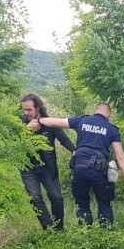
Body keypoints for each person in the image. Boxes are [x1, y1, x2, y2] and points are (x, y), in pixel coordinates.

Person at [31, 102, 124, 226]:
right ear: (109, 115)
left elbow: (54, 122)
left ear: (95, 111)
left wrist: (39, 120)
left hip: (79, 168)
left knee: (82, 204)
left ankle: (85, 232)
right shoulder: (111, 129)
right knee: (104, 203)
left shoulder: (82, 120)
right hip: (99, 170)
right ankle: (105, 235)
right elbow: (120, 156)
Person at [20, 94, 76, 230]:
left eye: (29, 110)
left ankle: (59, 229)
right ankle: (49, 229)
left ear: (37, 108)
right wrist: (27, 130)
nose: (26, 113)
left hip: (48, 167)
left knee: (56, 198)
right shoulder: (19, 122)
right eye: (24, 110)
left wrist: (76, 152)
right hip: (28, 168)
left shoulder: (49, 122)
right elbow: (12, 142)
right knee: (34, 198)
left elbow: (64, 139)